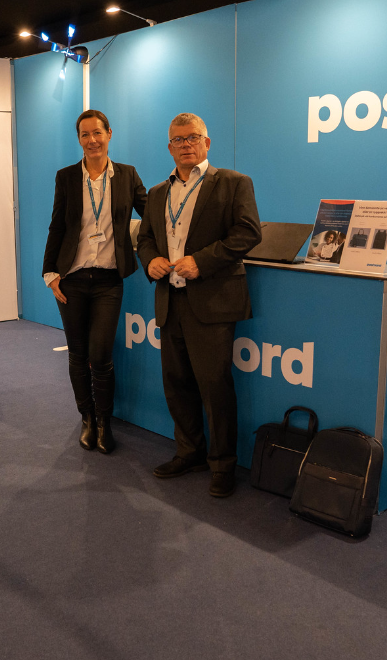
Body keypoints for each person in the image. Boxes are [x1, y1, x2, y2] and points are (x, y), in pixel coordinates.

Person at [135, 113, 262, 497]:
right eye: (178, 139)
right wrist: (150, 261)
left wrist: (201, 262)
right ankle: (189, 452)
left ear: (207, 143)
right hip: (170, 300)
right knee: (177, 385)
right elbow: (145, 238)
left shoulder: (234, 183)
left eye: (193, 138)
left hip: (212, 302)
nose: (186, 145)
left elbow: (248, 232)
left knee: (214, 387)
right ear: (169, 147)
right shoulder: (158, 192)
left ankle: (222, 465)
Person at [42, 109, 147, 454]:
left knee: (100, 355)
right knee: (78, 353)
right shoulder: (67, 177)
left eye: (97, 133)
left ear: (109, 134)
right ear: (79, 139)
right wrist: (49, 273)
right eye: (85, 135)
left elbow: (151, 216)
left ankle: (104, 421)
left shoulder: (127, 175)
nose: (92, 140)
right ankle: (86, 418)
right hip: (71, 278)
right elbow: (58, 225)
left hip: (108, 281)